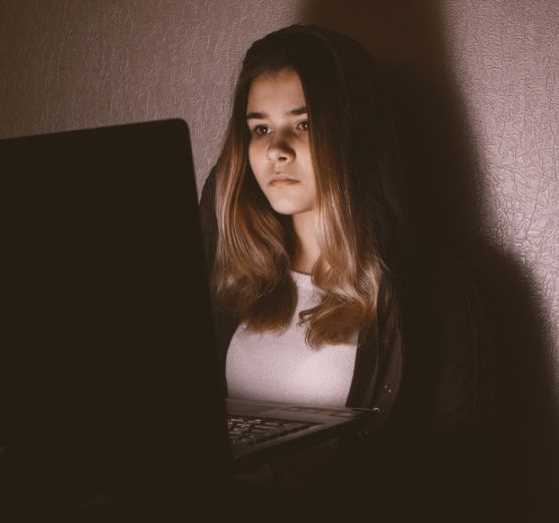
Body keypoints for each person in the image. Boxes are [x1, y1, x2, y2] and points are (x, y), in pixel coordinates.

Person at [199, 25, 487, 521]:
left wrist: (290, 497)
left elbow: (450, 492)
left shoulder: (431, 295)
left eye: (304, 125)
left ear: (351, 136)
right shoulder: (225, 279)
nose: (276, 150)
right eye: (260, 128)